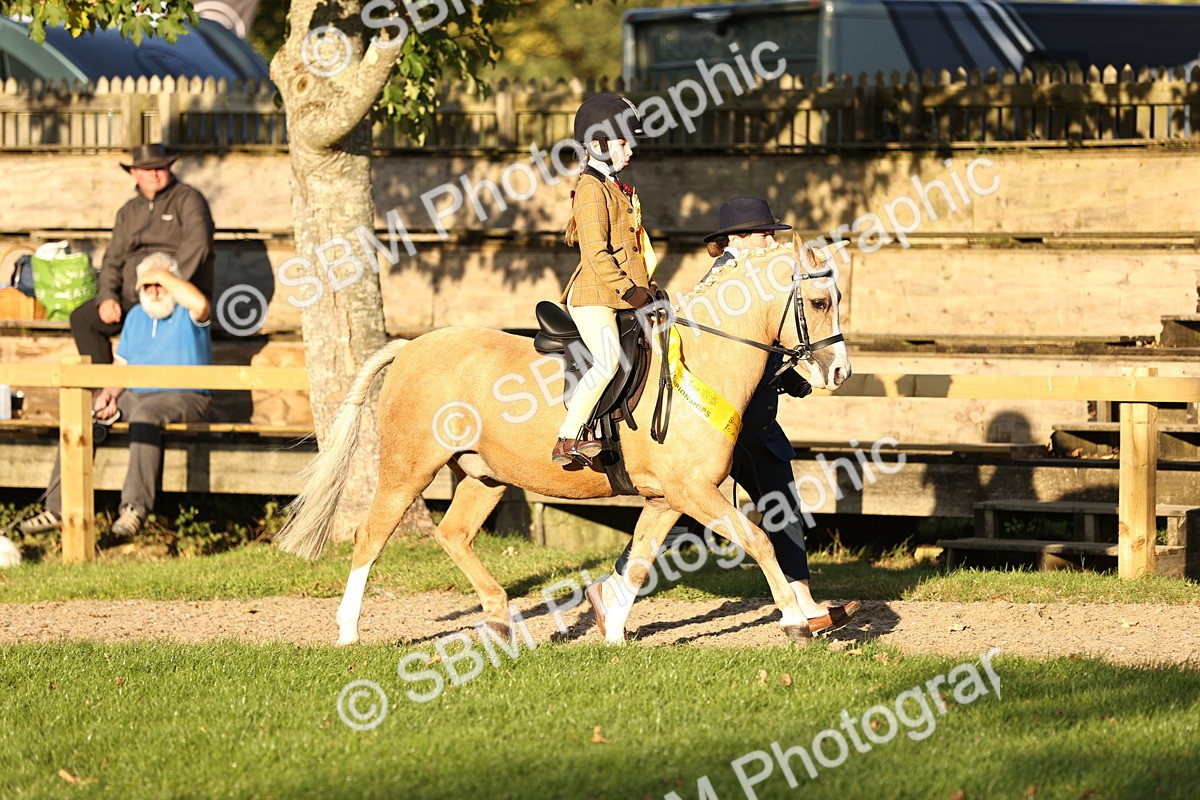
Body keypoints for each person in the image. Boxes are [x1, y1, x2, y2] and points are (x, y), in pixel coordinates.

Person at [586, 197, 862, 637]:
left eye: (771, 232)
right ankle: (619, 587)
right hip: (722, 424)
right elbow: (727, 354)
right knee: (688, 506)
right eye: (761, 232)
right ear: (735, 238)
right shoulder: (726, 278)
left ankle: (802, 602)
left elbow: (766, 344)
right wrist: (780, 373)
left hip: (754, 423)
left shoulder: (761, 279)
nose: (769, 240)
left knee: (773, 506)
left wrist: (788, 374)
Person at [19, 253, 214, 538]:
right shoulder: (136, 317)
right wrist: (108, 395)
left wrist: (161, 275)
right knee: (84, 414)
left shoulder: (188, 312)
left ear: (174, 283)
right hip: (136, 394)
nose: (155, 291)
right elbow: (120, 366)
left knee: (145, 415)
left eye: (161, 284)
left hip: (185, 394)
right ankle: (58, 508)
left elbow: (201, 304)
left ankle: (134, 509)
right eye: (148, 285)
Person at [553, 94, 657, 466]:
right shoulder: (591, 189)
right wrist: (631, 291)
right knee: (608, 358)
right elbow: (596, 254)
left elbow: (630, 249)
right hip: (594, 295)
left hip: (617, 293)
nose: (630, 150)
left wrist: (649, 288)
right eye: (623, 142)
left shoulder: (614, 187)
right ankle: (568, 436)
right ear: (597, 145)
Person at [70, 143, 215, 367]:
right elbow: (113, 258)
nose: (154, 174)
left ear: (169, 168)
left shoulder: (189, 200)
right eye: (147, 169)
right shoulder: (128, 211)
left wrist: (169, 282)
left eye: (160, 167)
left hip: (177, 295)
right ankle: (104, 393)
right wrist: (107, 296)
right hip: (134, 295)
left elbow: (199, 245)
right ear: (134, 173)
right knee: (83, 319)